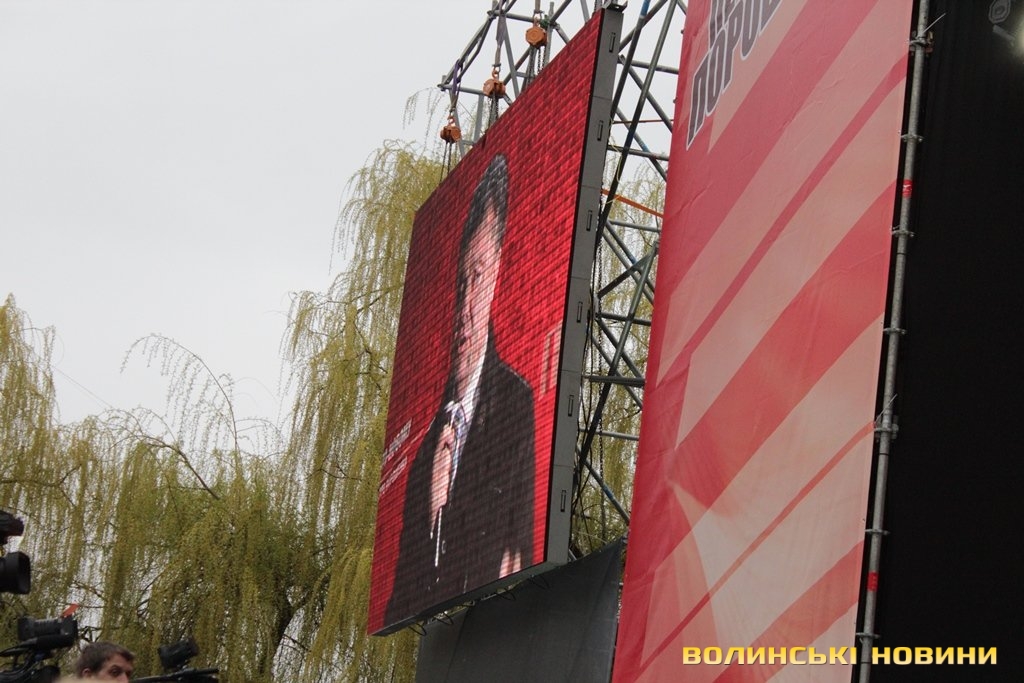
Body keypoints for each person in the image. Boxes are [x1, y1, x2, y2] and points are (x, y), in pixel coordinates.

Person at [386, 154, 535, 625]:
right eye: (462, 280)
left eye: (480, 276)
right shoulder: (425, 455)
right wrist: (432, 516)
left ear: (498, 276)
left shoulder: (517, 406)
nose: (467, 305)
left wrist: (447, 516)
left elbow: (516, 558)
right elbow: (401, 603)